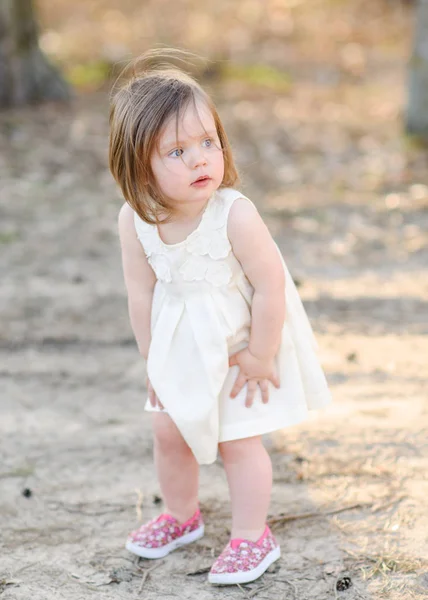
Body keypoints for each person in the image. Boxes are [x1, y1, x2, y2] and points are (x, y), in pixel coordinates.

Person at [109, 50, 331, 586]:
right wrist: (153, 360)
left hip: (237, 347)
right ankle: (180, 515)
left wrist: (259, 354)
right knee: (168, 432)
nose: (200, 159)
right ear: (139, 166)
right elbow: (141, 295)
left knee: (238, 440)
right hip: (180, 347)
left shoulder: (235, 213)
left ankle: (252, 536)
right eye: (178, 151)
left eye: (209, 142)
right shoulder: (134, 222)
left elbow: (271, 283)